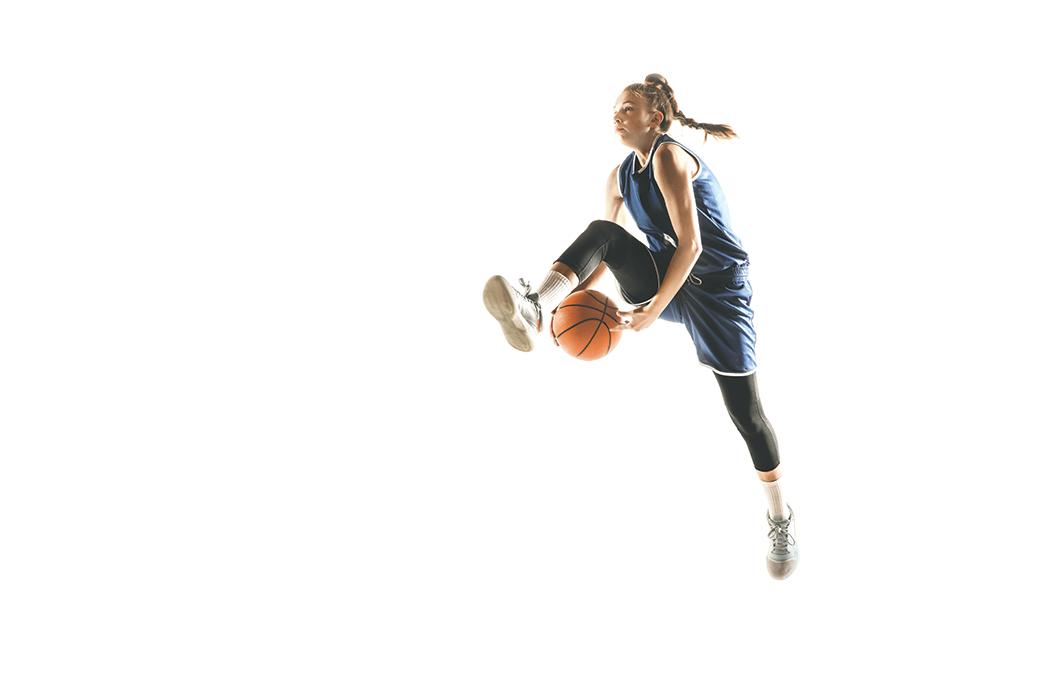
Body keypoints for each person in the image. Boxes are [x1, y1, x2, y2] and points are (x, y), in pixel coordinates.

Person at [482, 74, 798, 579]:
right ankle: (535, 308)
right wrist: (571, 302)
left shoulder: (670, 158)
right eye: (615, 107)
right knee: (603, 229)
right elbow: (602, 249)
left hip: (718, 291)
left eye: (628, 107)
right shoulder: (619, 177)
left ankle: (779, 516)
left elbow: (692, 245)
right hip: (662, 277)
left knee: (747, 415)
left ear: (657, 118)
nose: (617, 114)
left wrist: (652, 312)